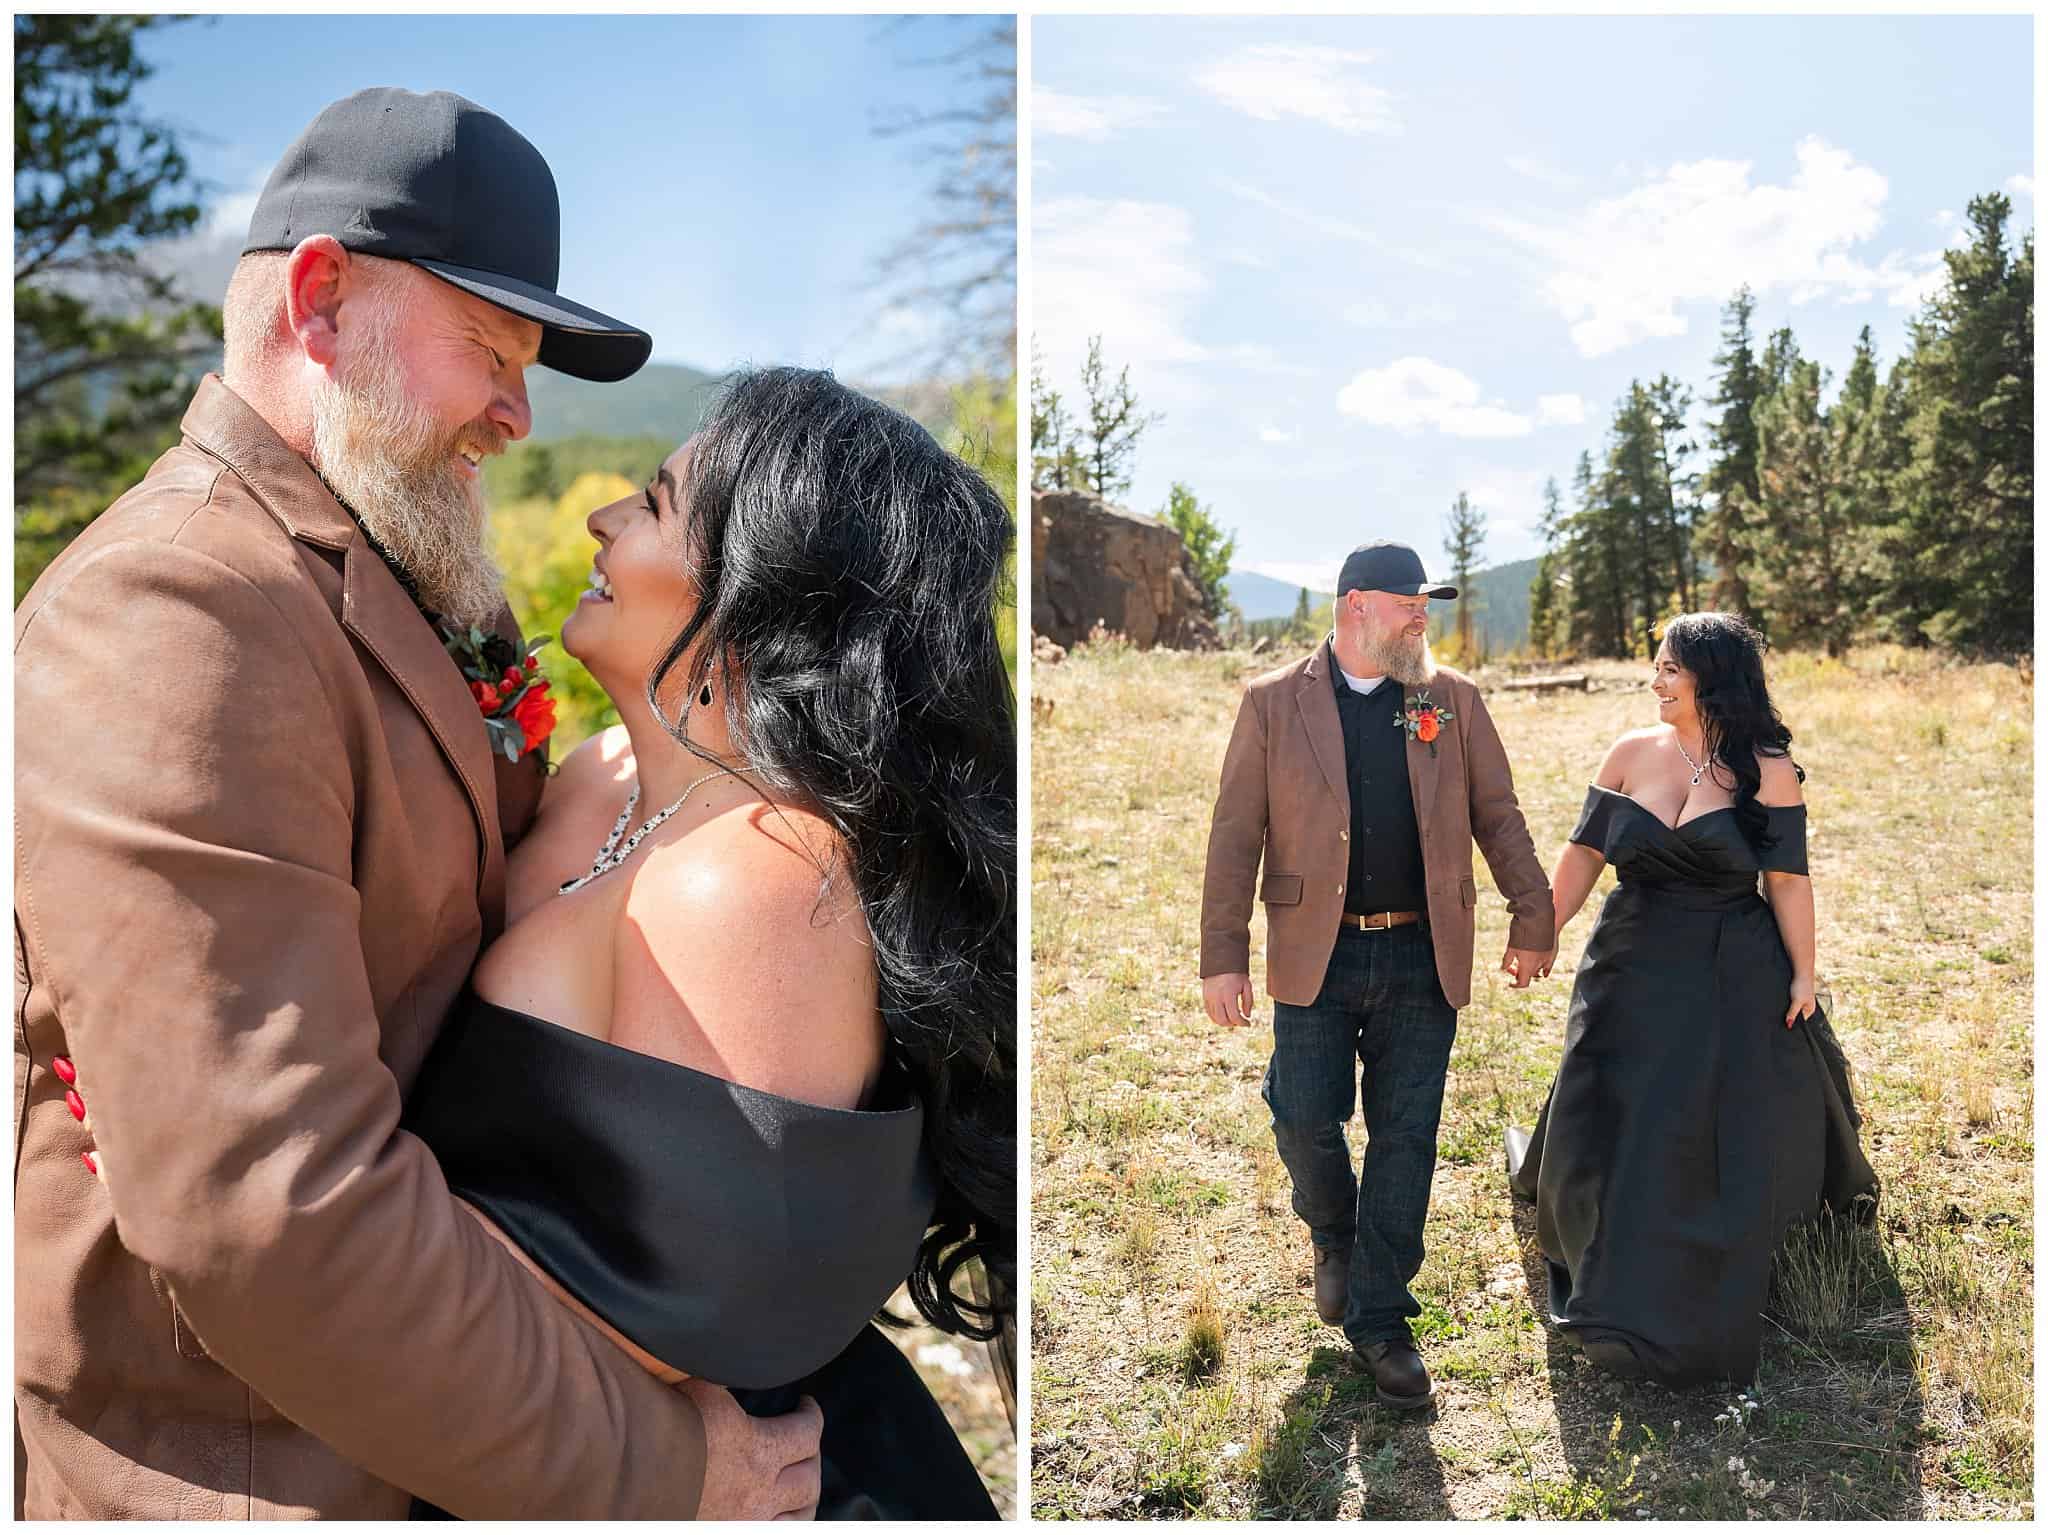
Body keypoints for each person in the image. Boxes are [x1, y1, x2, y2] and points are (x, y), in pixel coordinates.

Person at [14, 88, 821, 1519]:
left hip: (459, 1407)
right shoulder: (173, 609)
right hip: (267, 1466)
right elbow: (272, 1214)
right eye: (491, 350)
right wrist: (661, 1469)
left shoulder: (388, 565)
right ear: (322, 302)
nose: (519, 415)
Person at [399, 365, 1018, 1519]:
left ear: (760, 590)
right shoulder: (597, 774)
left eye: (648, 501)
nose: (598, 516)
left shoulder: (766, 872)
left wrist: (311, 1257)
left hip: (667, 1467)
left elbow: (690, 1305)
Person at [1200, 541, 1555, 1409]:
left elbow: (1497, 813)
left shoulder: (1453, 701)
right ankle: (1334, 1231)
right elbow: (1235, 831)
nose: (1421, 616)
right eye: (1408, 603)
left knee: (1407, 1136)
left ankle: (1383, 1322)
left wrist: (1532, 909)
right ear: (1357, 604)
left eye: (1427, 604)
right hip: (1313, 949)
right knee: (1303, 1114)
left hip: (1422, 950)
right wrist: (1222, 954)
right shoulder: (1274, 704)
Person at [1507, 611, 1879, 1386]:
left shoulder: (1767, 769)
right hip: (1631, 954)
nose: (1655, 678)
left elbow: (1786, 879)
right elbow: (1580, 855)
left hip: (1729, 960)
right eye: (1657, 665)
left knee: (1715, 1109)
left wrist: (1804, 972)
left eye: (1669, 667)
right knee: (1610, 1091)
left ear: (1711, 675)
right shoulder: (1629, 753)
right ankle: (1599, 1227)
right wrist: (1541, 930)